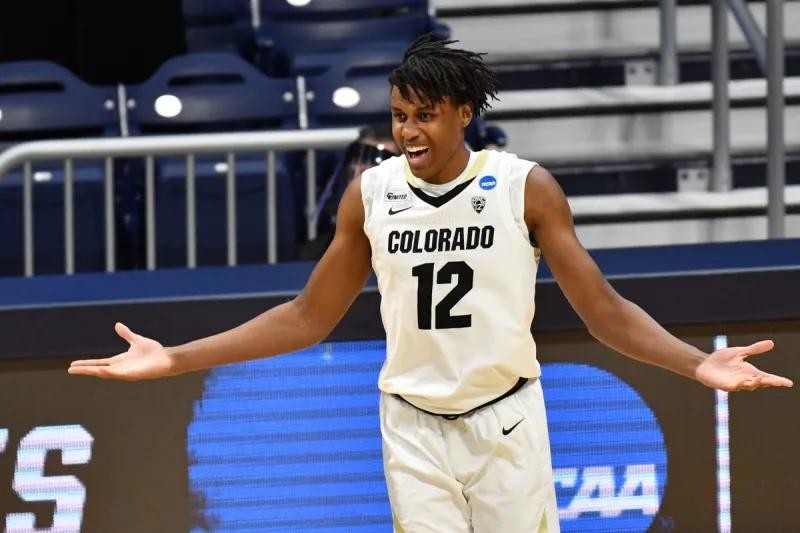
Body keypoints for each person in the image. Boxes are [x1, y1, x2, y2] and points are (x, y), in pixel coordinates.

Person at [69, 34, 793, 533]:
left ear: (464, 114)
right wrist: (176, 358)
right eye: (399, 116)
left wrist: (696, 363)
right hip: (412, 424)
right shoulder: (371, 194)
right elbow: (306, 316)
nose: (408, 131)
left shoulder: (524, 188)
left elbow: (602, 310)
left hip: (505, 420)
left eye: (424, 116)